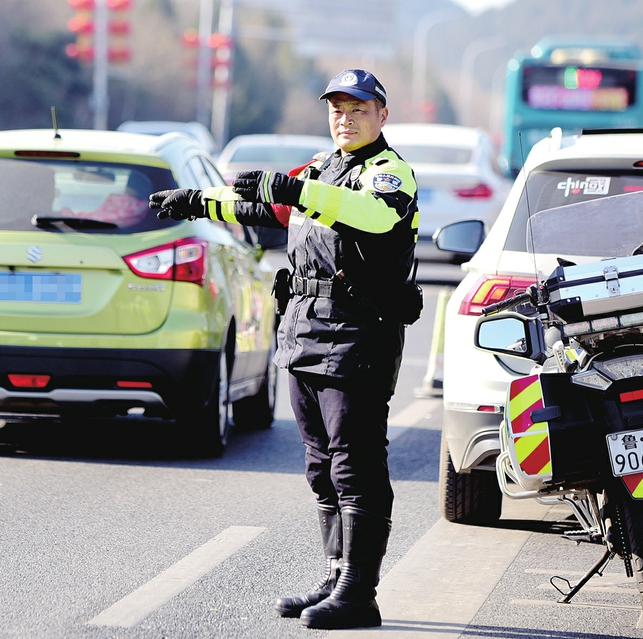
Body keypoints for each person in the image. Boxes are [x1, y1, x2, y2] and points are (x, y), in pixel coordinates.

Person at [148, 68, 420, 630]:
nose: (345, 118)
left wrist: (295, 189)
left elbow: (367, 215)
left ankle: (358, 593)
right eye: (337, 109)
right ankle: (335, 573)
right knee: (320, 464)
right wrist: (198, 202)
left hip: (358, 336)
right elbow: (263, 207)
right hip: (304, 331)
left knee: (355, 464)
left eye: (359, 109)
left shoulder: (390, 174)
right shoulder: (321, 168)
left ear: (382, 115)